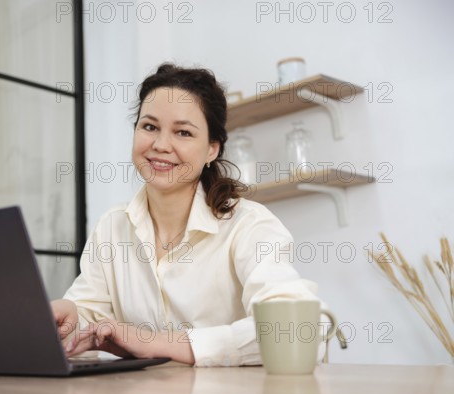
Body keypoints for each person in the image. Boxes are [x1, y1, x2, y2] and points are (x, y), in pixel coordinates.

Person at [50, 63, 321, 367]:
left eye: (183, 132)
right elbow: (89, 316)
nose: (161, 145)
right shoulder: (111, 228)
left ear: (212, 150)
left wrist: (159, 343)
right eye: (149, 127)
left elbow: (298, 330)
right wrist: (72, 314)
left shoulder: (249, 226)